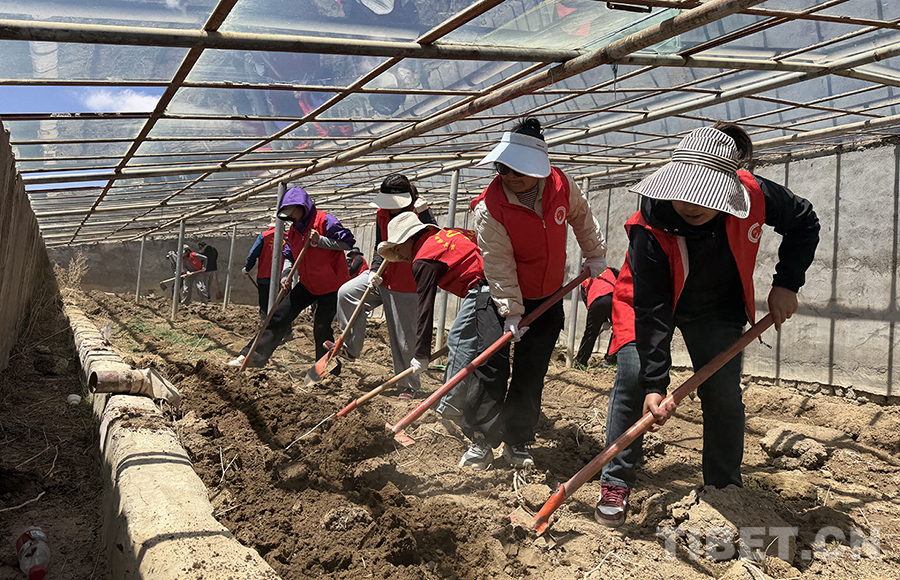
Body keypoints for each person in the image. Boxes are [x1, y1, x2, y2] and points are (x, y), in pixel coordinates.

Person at [595, 123, 820, 528]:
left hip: (716, 307)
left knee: (723, 396)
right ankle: (615, 481)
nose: (689, 204)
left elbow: (805, 222)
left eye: (702, 195)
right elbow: (652, 309)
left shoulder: (755, 194)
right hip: (648, 301)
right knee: (632, 379)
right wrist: (656, 384)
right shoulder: (649, 226)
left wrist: (787, 283)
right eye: (681, 191)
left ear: (727, 190)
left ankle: (723, 487)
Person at [469, 117, 607, 468]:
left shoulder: (561, 186)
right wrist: (511, 312)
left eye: (518, 170)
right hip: (499, 295)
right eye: (503, 169)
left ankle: (517, 439)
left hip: (547, 296)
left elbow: (582, 217)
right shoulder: (490, 207)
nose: (510, 177)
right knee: (491, 364)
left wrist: (594, 254)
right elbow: (498, 262)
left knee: (531, 370)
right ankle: (483, 439)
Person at [377, 212, 510, 469]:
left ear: (410, 239)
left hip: (483, 288)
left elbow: (425, 309)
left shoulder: (424, 259)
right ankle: (456, 404)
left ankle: (448, 408)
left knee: (458, 339)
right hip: (502, 281)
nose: (399, 255)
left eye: (398, 248)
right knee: (466, 344)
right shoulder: (446, 235)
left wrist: (421, 355)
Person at [229, 187, 355, 369]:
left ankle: (326, 368)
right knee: (279, 315)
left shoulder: (325, 220)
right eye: (288, 214)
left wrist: (321, 240)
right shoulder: (295, 230)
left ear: (302, 206)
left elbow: (347, 243)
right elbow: (290, 256)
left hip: (332, 285)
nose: (291, 217)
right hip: (308, 283)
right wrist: (286, 276)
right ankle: (252, 357)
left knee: (321, 326)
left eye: (292, 212)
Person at [335, 174, 437, 399]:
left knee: (404, 339)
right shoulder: (381, 213)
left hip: (406, 283)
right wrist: (373, 270)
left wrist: (426, 215)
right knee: (347, 293)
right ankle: (350, 348)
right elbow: (379, 244)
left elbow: (435, 239)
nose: (389, 208)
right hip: (382, 275)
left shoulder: (418, 212)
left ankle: (408, 385)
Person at [575, 267, 619, 368]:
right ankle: (610, 360)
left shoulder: (584, 280)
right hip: (612, 299)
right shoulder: (610, 270)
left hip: (595, 303)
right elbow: (622, 282)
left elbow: (587, 302)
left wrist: (601, 319)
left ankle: (580, 362)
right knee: (618, 329)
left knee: (590, 334)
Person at [241, 221, 285, 321]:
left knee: (264, 306)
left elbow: (253, 254)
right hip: (283, 279)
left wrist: (247, 268)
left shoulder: (264, 236)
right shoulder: (288, 237)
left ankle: (265, 326)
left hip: (264, 278)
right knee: (281, 307)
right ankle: (283, 328)